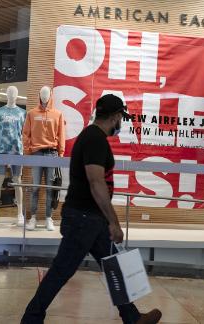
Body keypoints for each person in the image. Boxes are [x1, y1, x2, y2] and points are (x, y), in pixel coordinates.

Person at [21, 94, 162, 324]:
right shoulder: (95, 139)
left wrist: (105, 221)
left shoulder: (93, 137)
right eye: (120, 118)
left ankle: (132, 317)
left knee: (114, 267)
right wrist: (114, 222)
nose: (121, 123)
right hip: (83, 220)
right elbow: (96, 182)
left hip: (91, 219)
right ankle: (31, 319)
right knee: (61, 271)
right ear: (115, 116)